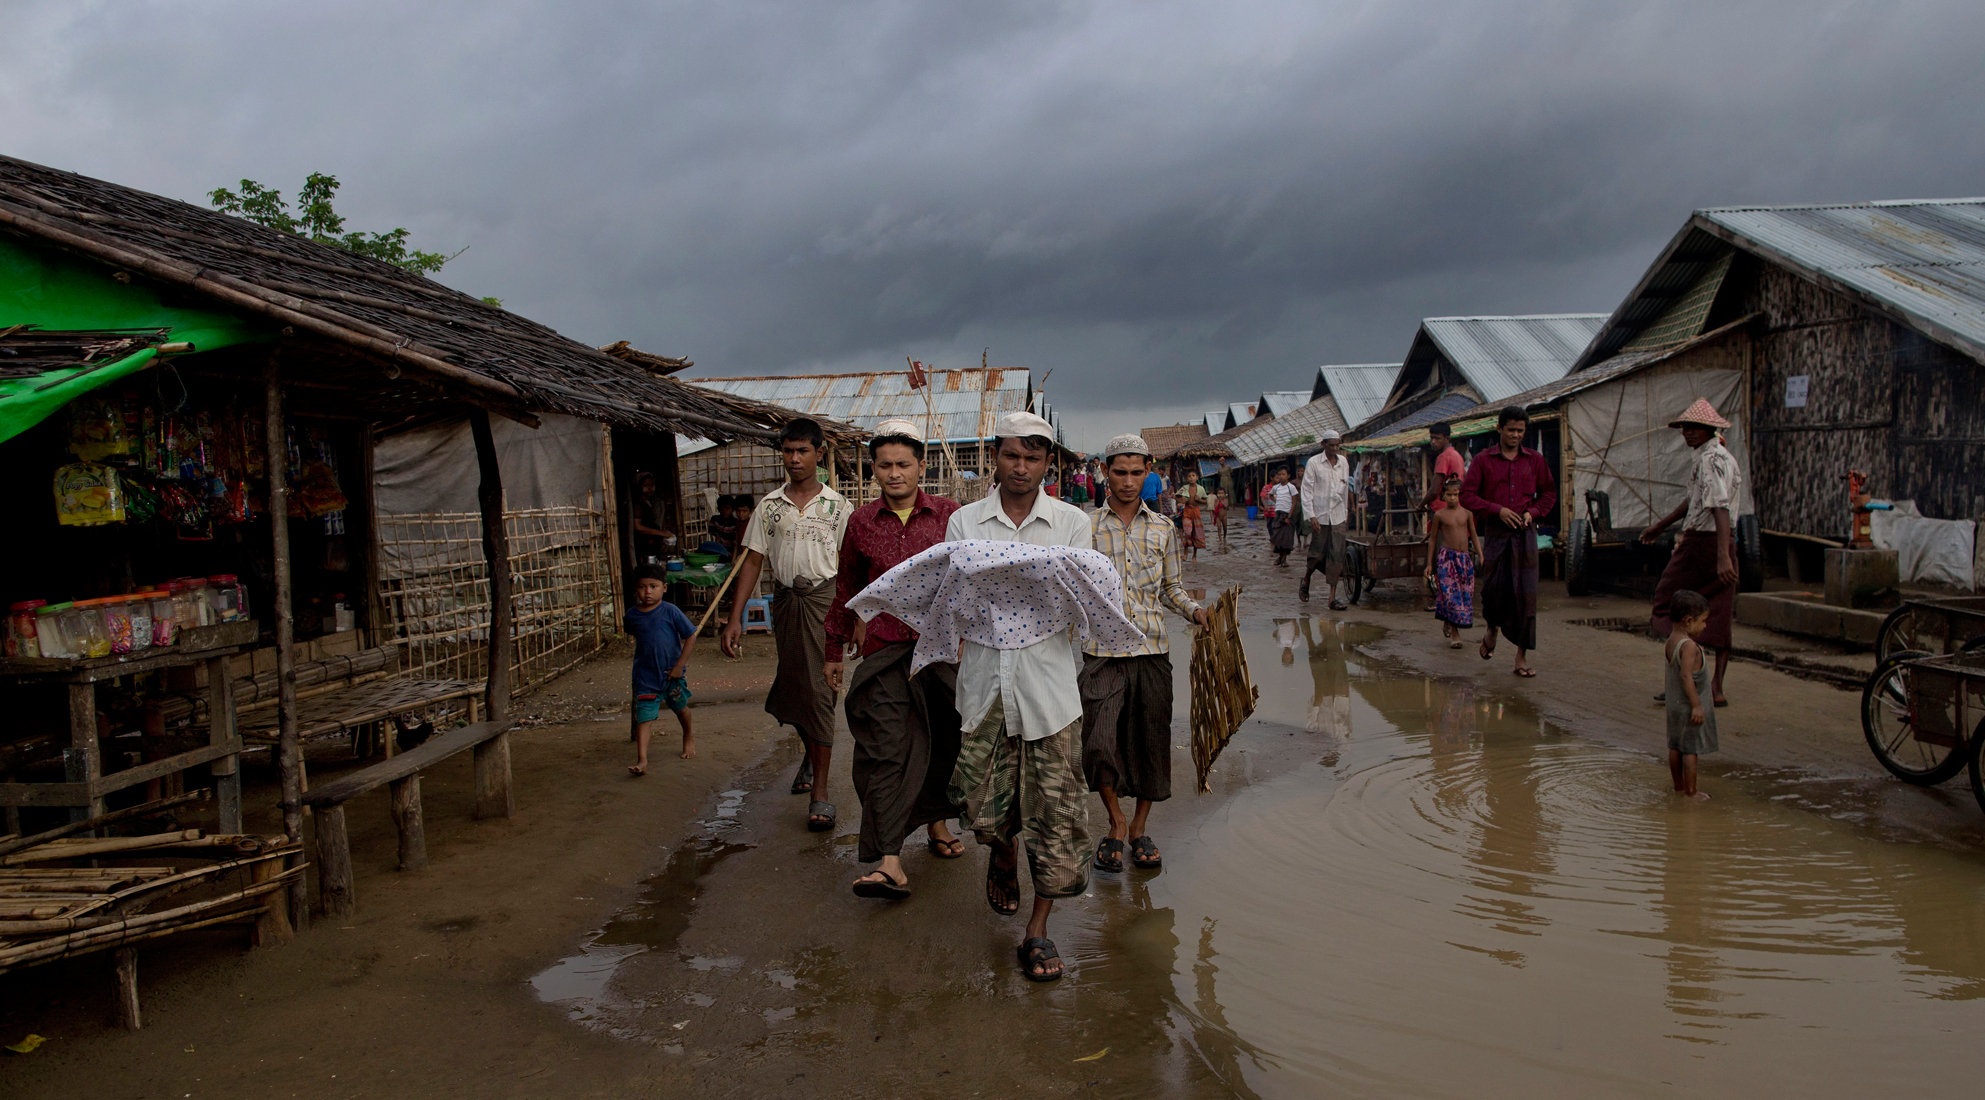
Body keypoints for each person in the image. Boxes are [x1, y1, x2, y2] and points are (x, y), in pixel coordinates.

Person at [943, 410, 1094, 982]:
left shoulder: (1071, 524)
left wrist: (1007, 591)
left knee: (1056, 814)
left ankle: (1038, 931)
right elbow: (961, 599)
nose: (1021, 467)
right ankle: (1001, 853)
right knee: (982, 804)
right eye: (1011, 455)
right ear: (993, 456)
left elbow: (1074, 605)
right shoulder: (964, 522)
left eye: (1033, 458)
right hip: (984, 690)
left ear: (1048, 463)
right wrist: (1028, 589)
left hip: (1051, 694)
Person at [824, 419, 965, 900]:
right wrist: (833, 650)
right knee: (885, 748)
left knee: (945, 742)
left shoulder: (951, 516)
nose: (894, 473)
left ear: (921, 466)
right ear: (873, 470)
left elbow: (971, 583)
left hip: (942, 652)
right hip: (885, 654)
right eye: (884, 465)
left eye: (903, 464)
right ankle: (888, 861)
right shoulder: (861, 523)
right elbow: (847, 589)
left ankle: (938, 825)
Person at [1083, 435, 1208, 879]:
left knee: (1151, 741)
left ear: (1149, 472)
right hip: (1101, 650)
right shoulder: (1085, 528)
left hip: (1153, 648)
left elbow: (1172, 589)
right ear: (1104, 472)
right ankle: (1114, 818)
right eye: (1120, 472)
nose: (1129, 481)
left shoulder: (1163, 529)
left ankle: (1137, 829)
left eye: (1138, 473)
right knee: (1099, 740)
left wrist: (1195, 611)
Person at [720, 418, 852, 831]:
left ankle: (821, 792)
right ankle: (811, 757)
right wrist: (735, 616)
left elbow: (849, 568)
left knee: (819, 690)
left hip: (824, 601)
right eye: (788, 451)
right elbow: (753, 561)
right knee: (795, 686)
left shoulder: (837, 507)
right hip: (785, 602)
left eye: (803, 451)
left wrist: (857, 617)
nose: (795, 459)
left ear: (819, 454)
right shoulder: (770, 506)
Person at [1641, 399, 1742, 707]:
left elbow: (1718, 506)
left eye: (1695, 427)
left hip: (1705, 543)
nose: (1688, 432)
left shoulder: (1711, 459)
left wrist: (1722, 555)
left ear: (1710, 429)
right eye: (1685, 427)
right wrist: (1661, 525)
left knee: (1668, 603)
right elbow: (1695, 499)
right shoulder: (1717, 458)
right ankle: (1715, 687)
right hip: (1719, 540)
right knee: (1720, 610)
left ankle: (1683, 679)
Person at [1459, 407, 1556, 678]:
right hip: (1496, 535)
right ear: (1499, 428)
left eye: (1520, 431)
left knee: (1525, 595)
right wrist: (1496, 509)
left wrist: (1532, 513)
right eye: (1511, 430)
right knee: (1493, 592)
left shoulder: (1534, 460)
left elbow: (1549, 494)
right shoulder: (1482, 460)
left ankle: (1521, 656)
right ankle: (1492, 629)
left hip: (1524, 536)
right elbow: (1467, 496)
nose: (1515, 435)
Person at [625, 563, 699, 774]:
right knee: (645, 717)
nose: (647, 592)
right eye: (641, 587)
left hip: (671, 675)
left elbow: (690, 636)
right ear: (636, 589)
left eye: (653, 586)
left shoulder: (670, 611)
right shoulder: (632, 616)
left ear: (664, 588)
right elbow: (635, 634)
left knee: (680, 708)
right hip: (645, 676)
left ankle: (688, 736)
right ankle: (642, 760)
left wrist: (679, 666)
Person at [1662, 588, 1718, 799]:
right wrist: (1696, 705)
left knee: (1675, 745)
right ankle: (1691, 792)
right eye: (1702, 621)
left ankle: (1678, 786)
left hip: (1674, 706)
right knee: (1690, 749)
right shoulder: (1689, 646)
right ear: (1688, 621)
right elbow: (1686, 676)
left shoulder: (1671, 641)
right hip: (1687, 706)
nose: (1704, 626)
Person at [1423, 477, 1481, 649]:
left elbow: (1474, 536)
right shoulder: (1439, 516)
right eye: (1449, 495)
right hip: (1447, 559)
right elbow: (1433, 540)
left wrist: (1481, 555)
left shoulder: (1467, 514)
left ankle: (1448, 620)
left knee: (1465, 594)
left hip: (1464, 559)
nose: (1453, 498)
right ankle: (1456, 634)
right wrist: (1429, 564)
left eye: (1456, 494)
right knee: (1450, 595)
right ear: (1443, 496)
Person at [1298, 430, 1354, 608]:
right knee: (1316, 553)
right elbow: (1306, 491)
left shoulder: (1343, 462)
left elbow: (1345, 489)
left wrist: (1346, 514)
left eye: (1337, 445)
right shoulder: (1314, 463)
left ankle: (1332, 598)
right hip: (1320, 516)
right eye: (1331, 445)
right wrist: (1311, 516)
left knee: (1336, 555)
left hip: (1338, 516)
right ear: (1323, 444)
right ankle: (1306, 579)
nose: (1335, 448)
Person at [1419, 423, 1467, 609]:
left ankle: (1443, 600)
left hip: (1441, 510)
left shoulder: (1443, 457)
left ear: (1447, 438)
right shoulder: (1457, 456)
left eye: (1437, 438)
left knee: (1441, 556)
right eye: (1431, 438)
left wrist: (1421, 504)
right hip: (1456, 509)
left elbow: (1435, 488)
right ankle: (1453, 598)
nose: (1433, 441)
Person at [631, 472, 679, 564]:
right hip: (642, 544)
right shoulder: (638, 504)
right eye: (646, 485)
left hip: (651, 544)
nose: (650, 488)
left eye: (652, 485)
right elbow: (638, 526)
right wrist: (662, 533)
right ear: (639, 486)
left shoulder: (650, 502)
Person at [1265, 466, 1298, 566]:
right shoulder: (1276, 487)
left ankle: (1284, 559)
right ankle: (1280, 557)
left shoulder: (1291, 487)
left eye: (1283, 474)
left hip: (1287, 514)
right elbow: (1270, 495)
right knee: (1278, 537)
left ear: (1288, 476)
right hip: (1278, 514)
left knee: (1286, 539)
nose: (1281, 476)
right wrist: (1277, 502)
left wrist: (1289, 517)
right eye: (1279, 474)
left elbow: (1294, 502)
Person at [1177, 468, 1209, 561]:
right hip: (1187, 510)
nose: (1191, 478)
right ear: (1187, 479)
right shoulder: (1184, 488)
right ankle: (1186, 552)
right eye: (1189, 476)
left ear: (1197, 477)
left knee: (1196, 534)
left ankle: (1194, 556)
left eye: (1193, 476)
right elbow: (1177, 496)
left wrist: (1199, 500)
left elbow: (1205, 500)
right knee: (1187, 532)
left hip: (1196, 511)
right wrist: (1181, 500)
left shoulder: (1200, 489)